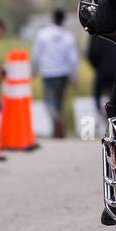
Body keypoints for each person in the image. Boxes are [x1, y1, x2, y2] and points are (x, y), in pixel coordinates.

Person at [31, 8, 80, 139]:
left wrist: (33, 70)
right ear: (63, 19)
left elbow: (36, 54)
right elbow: (73, 58)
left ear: (52, 18)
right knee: (59, 102)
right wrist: (74, 76)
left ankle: (56, 121)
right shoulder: (68, 36)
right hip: (63, 73)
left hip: (47, 72)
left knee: (48, 101)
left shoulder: (42, 34)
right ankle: (57, 127)